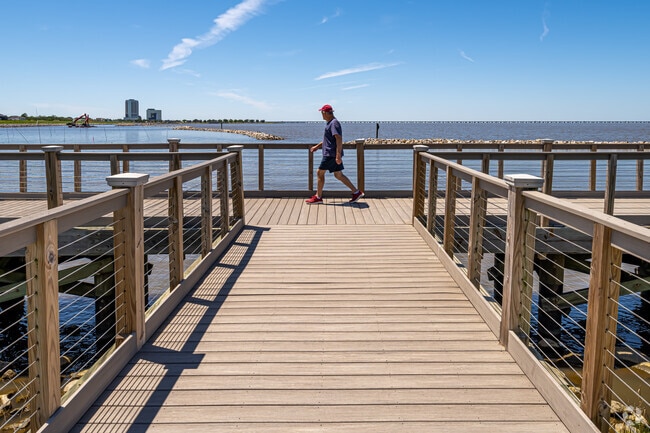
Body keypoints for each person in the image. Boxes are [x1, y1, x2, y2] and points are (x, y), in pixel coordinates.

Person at [305, 104, 364, 204]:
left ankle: (318, 197)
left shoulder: (334, 123)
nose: (321, 115)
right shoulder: (330, 123)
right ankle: (356, 192)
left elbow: (338, 139)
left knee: (320, 172)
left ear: (325, 113)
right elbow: (328, 140)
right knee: (338, 175)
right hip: (331, 153)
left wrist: (338, 155)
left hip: (331, 154)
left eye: (321, 113)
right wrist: (317, 146)